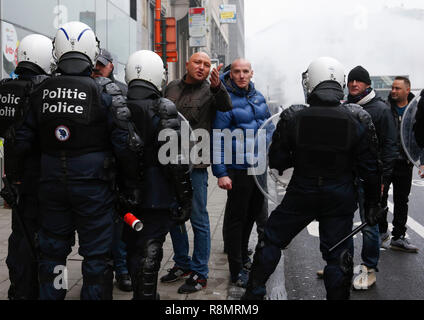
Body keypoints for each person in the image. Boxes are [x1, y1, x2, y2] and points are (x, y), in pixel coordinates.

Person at [242, 57, 381, 300]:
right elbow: (370, 169)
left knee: (272, 241)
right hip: (339, 196)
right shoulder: (358, 117)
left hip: (302, 192)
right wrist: (372, 205)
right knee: (338, 256)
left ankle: (253, 293)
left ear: (312, 82)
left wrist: (300, 153)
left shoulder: (294, 116)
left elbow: (277, 161)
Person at [14, 21, 133, 300]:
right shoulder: (105, 91)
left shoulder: (39, 90)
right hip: (94, 187)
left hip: (51, 184)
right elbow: (126, 144)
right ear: (93, 52)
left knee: (52, 254)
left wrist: (16, 179)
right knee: (96, 257)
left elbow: (20, 140)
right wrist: (129, 186)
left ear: (57, 52)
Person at [122, 50, 192, 300]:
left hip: (124, 192)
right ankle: (146, 295)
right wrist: (185, 199)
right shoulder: (163, 108)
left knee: (132, 244)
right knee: (151, 247)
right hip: (156, 193)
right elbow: (174, 159)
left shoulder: (115, 104)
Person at [161, 52, 232, 293]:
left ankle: (200, 273)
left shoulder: (211, 90)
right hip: (170, 161)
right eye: (197, 63)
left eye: (205, 64)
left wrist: (218, 87)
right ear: (187, 64)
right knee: (173, 216)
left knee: (199, 219)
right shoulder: (170, 87)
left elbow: (226, 106)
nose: (201, 67)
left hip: (196, 165)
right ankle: (182, 263)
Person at [0, 34, 53, 300]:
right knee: (42, 237)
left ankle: (18, 289)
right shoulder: (43, 89)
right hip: (39, 174)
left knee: (19, 235)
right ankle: (35, 288)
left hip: (12, 175)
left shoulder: (4, 87)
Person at [212, 58, 272, 287]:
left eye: (245, 71)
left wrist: (268, 147)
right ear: (231, 74)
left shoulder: (258, 97)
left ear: (251, 73)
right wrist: (221, 173)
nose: (241, 75)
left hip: (258, 167)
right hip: (237, 169)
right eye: (237, 72)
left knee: (252, 216)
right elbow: (217, 138)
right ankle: (236, 270)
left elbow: (269, 126)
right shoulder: (225, 100)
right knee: (237, 221)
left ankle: (243, 258)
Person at [343, 66, 398, 290]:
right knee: (342, 222)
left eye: (359, 81)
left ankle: (369, 268)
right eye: (351, 81)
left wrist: (383, 179)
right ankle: (343, 265)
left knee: (369, 224)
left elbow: (390, 146)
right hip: (347, 176)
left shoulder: (381, 110)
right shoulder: (345, 107)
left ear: (367, 84)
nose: (354, 84)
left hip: (372, 178)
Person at [91, 48, 132, 292]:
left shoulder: (123, 92)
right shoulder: (84, 89)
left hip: (116, 167)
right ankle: (100, 268)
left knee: (119, 222)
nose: (97, 69)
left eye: (101, 65)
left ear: (111, 66)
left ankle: (122, 269)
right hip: (91, 168)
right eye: (94, 65)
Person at [379, 76, 418, 253]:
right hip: (386, 162)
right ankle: (380, 233)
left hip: (405, 163)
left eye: (398, 89)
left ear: (407, 90)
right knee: (380, 198)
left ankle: (399, 237)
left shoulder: (416, 110)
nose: (393, 91)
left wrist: (419, 160)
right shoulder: (384, 108)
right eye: (392, 88)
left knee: (402, 200)